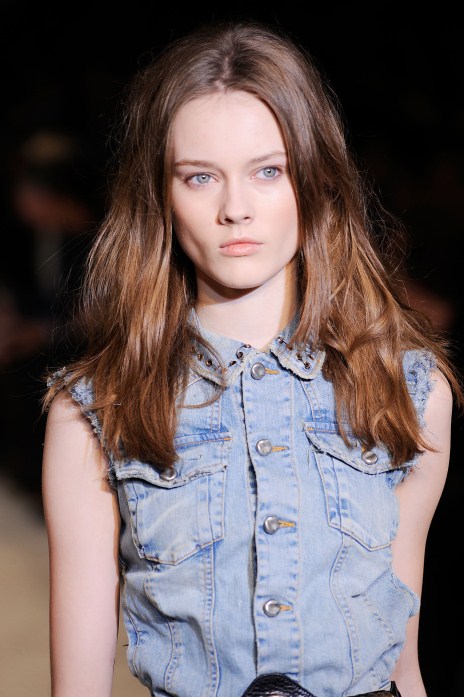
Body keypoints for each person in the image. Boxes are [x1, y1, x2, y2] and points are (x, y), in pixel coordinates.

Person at [41, 18, 462, 697]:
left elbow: (400, 660)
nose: (235, 208)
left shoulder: (406, 390)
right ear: (161, 195)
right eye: (200, 177)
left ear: (316, 178)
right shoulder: (99, 409)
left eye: (269, 171)